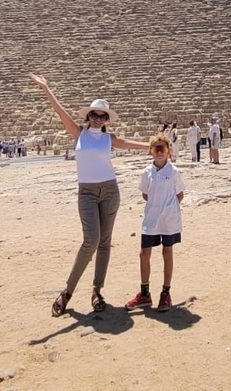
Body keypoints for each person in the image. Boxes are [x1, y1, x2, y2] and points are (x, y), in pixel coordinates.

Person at [29, 73, 151, 317]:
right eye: (93, 115)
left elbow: (129, 143)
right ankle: (68, 291)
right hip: (86, 193)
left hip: (109, 191)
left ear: (107, 119)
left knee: (105, 243)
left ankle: (97, 291)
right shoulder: (78, 133)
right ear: (88, 117)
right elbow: (59, 110)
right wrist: (45, 88)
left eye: (102, 116)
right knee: (91, 241)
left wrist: (156, 145)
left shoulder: (109, 138)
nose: (97, 119)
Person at [124, 134, 185, 313]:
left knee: (167, 252)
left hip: (168, 219)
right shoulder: (146, 172)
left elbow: (180, 195)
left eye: (162, 149)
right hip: (151, 218)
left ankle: (165, 293)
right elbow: (145, 194)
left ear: (168, 151)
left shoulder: (174, 172)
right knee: (144, 254)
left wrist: (167, 208)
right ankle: (145, 293)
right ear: (151, 152)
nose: (159, 152)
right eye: (156, 149)